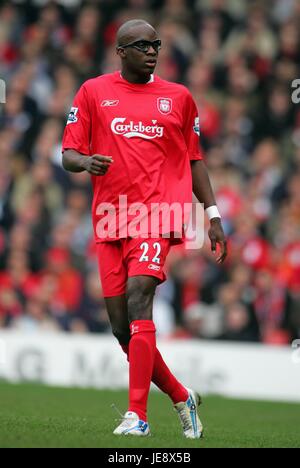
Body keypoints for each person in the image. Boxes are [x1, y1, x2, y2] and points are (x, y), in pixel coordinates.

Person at [62, 19, 227, 438]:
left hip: (157, 216)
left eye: (155, 44)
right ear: (120, 51)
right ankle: (180, 395)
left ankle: (138, 416)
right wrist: (86, 162)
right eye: (141, 45)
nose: (151, 50)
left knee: (141, 298)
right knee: (122, 327)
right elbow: (68, 153)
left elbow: (194, 160)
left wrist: (212, 215)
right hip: (110, 217)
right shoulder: (94, 92)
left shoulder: (178, 98)